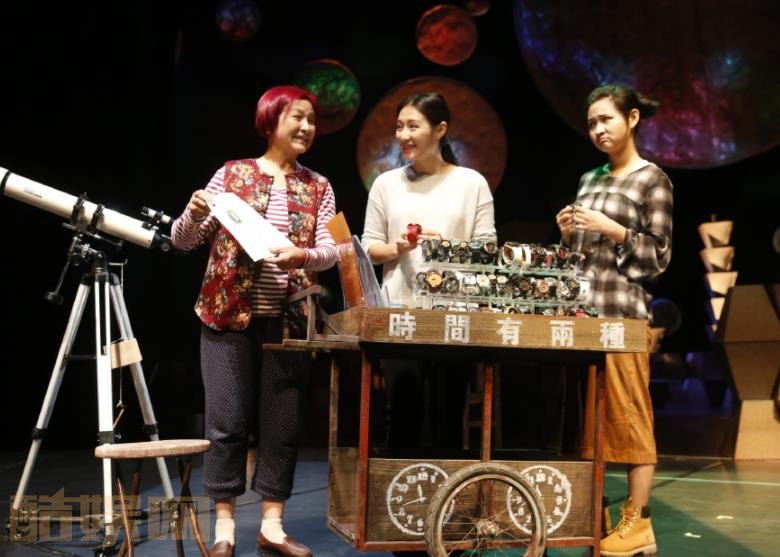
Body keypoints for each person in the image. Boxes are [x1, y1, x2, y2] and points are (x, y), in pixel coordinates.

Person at [171, 85, 338, 557]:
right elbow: (183, 241)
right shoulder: (232, 174)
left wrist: (303, 255)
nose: (306, 127)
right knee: (226, 423)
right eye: (297, 117)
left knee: (283, 425)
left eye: (311, 119)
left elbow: (332, 250)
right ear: (270, 119)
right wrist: (193, 213)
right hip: (226, 316)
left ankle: (273, 526)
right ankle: (224, 528)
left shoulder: (319, 186)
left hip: (288, 322)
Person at [555, 83, 672, 556]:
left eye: (606, 119)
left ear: (632, 119)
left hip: (623, 317)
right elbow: (578, 259)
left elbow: (659, 256)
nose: (598, 129)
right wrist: (568, 236)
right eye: (592, 123)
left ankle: (638, 525)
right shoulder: (589, 180)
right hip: (584, 315)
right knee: (590, 425)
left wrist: (613, 229)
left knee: (630, 419)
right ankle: (596, 519)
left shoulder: (652, 179)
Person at [361, 92, 496, 449]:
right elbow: (369, 247)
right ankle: (402, 485)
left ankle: (446, 487)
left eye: (413, 126)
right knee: (402, 414)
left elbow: (488, 251)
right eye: (399, 127)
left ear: (440, 129)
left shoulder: (471, 183)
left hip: (454, 316)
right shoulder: (386, 184)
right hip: (399, 313)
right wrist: (396, 248)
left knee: (447, 417)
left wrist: (447, 247)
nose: (403, 135)